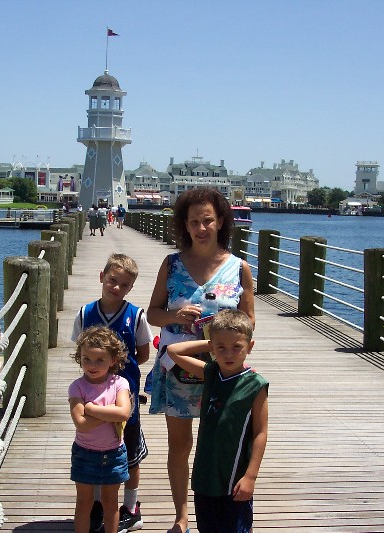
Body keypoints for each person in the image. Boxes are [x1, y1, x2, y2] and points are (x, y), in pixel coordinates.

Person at [147, 187, 255, 533]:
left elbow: (249, 324)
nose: (201, 227)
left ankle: (224, 510)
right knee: (180, 446)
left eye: (208, 219)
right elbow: (152, 314)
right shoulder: (172, 263)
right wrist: (176, 315)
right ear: (185, 225)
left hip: (221, 370)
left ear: (221, 220)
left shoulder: (239, 268)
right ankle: (181, 517)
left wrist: (222, 333)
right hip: (177, 369)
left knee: (220, 442)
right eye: (194, 221)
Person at [165, 310, 268, 533]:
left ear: (249, 347)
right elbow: (173, 351)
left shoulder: (255, 384)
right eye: (221, 347)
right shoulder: (211, 372)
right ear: (212, 348)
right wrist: (210, 343)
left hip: (234, 479)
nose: (228, 354)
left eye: (237, 347)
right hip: (205, 476)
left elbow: (260, 432)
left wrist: (250, 476)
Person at [72, 253, 153, 533]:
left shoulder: (136, 316)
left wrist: (119, 372)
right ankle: (96, 506)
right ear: (102, 277)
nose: (116, 287)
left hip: (124, 395)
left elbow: (143, 353)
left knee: (128, 452)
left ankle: (130, 507)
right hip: (92, 392)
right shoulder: (85, 313)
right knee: (94, 446)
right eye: (112, 280)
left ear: (130, 288)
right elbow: (78, 349)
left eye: (124, 285)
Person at [69, 326, 132, 533]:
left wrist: (91, 409)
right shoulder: (77, 387)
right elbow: (81, 424)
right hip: (85, 453)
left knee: (111, 502)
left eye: (99, 360)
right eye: (86, 359)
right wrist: (108, 412)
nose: (92, 365)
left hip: (114, 452)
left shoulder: (119, 383)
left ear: (113, 360)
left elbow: (123, 413)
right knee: (84, 503)